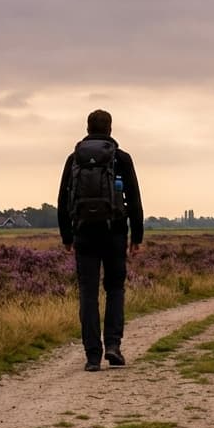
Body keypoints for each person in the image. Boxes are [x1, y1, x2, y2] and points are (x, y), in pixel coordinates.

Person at [58, 109, 144, 372]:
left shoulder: (74, 159)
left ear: (87, 128)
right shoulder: (121, 158)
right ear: (110, 128)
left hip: (84, 233)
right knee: (115, 289)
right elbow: (135, 199)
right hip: (115, 232)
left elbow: (62, 200)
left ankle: (92, 356)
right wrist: (137, 236)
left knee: (88, 293)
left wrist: (67, 237)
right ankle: (114, 346)